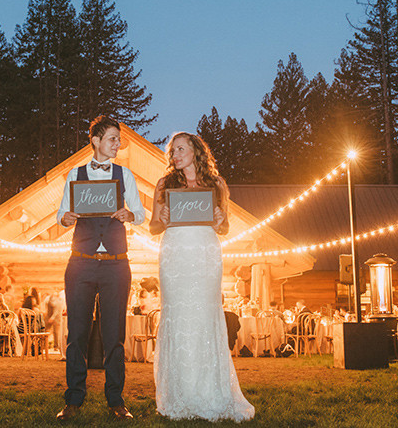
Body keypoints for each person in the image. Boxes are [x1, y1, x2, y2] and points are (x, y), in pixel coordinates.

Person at [148, 132, 254, 422]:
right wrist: (163, 218)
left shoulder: (216, 184)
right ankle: (178, 394)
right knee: (179, 318)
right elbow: (154, 227)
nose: (175, 155)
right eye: (172, 151)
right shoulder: (165, 185)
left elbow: (225, 226)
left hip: (205, 255)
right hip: (175, 255)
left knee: (205, 317)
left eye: (180, 149)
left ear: (196, 151)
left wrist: (220, 220)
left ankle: (211, 392)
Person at [55, 116, 145, 421]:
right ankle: (73, 400)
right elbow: (61, 214)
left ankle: (116, 400)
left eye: (118, 140)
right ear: (94, 140)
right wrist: (66, 219)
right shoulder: (75, 174)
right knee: (76, 335)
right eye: (112, 139)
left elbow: (142, 214)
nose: (118, 144)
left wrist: (128, 214)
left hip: (116, 266)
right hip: (80, 263)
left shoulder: (125, 175)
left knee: (114, 337)